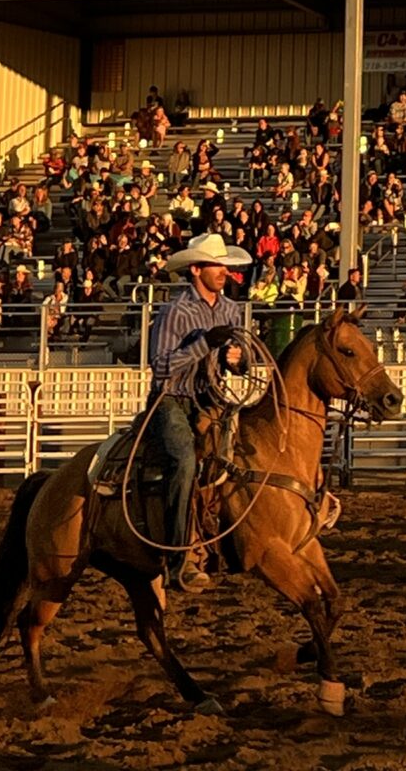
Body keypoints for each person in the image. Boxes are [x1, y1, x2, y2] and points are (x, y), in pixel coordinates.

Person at [146, 233, 256, 591]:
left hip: (211, 399)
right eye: (216, 265)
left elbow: (241, 360)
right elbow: (161, 367)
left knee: (244, 460)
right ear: (196, 270)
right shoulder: (174, 312)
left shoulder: (230, 309)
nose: (223, 271)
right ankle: (178, 559)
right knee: (184, 462)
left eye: (225, 264)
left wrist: (236, 361)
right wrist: (205, 344)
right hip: (172, 400)